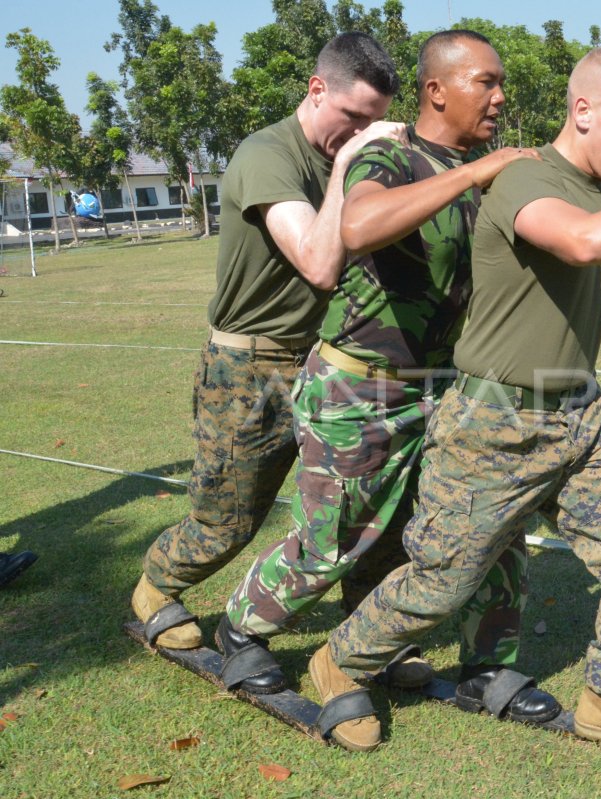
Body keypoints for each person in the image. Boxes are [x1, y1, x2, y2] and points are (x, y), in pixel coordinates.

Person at [306, 44, 601, 754]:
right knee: (442, 580)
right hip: (494, 422)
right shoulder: (526, 178)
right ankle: (340, 659)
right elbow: (584, 243)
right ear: (583, 112)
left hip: (579, 412)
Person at [219, 31, 556, 720]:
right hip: (360, 386)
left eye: (501, 85)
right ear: (437, 90)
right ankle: (243, 627)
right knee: (335, 537)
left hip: (448, 387)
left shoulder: (484, 172)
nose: (499, 97)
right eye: (484, 83)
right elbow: (361, 226)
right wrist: (472, 173)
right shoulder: (389, 153)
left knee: (486, 525)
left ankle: (487, 665)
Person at [130, 33, 404, 686]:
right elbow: (316, 260)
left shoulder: (352, 155)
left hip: (327, 361)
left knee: (357, 504)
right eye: (353, 118)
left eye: (373, 121)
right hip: (249, 368)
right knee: (228, 519)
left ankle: (365, 633)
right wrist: (349, 166)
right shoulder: (265, 155)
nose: (360, 133)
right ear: (317, 91)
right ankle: (154, 586)